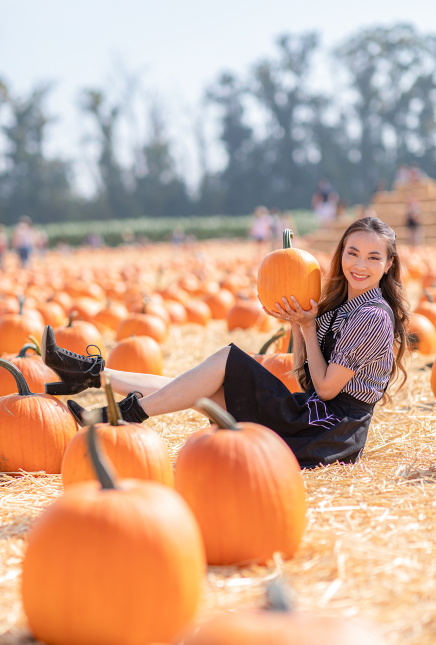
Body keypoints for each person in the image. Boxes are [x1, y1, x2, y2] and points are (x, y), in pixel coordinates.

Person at [40, 217, 409, 469]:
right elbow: (307, 375)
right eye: (352, 253)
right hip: (313, 415)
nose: (360, 265)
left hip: (328, 432)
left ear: (389, 264)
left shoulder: (372, 316)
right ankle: (93, 375)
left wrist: (309, 330)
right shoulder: (345, 304)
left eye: (373, 257)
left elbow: (327, 390)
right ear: (341, 253)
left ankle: (121, 414)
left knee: (225, 362)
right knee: (197, 389)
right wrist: (298, 326)